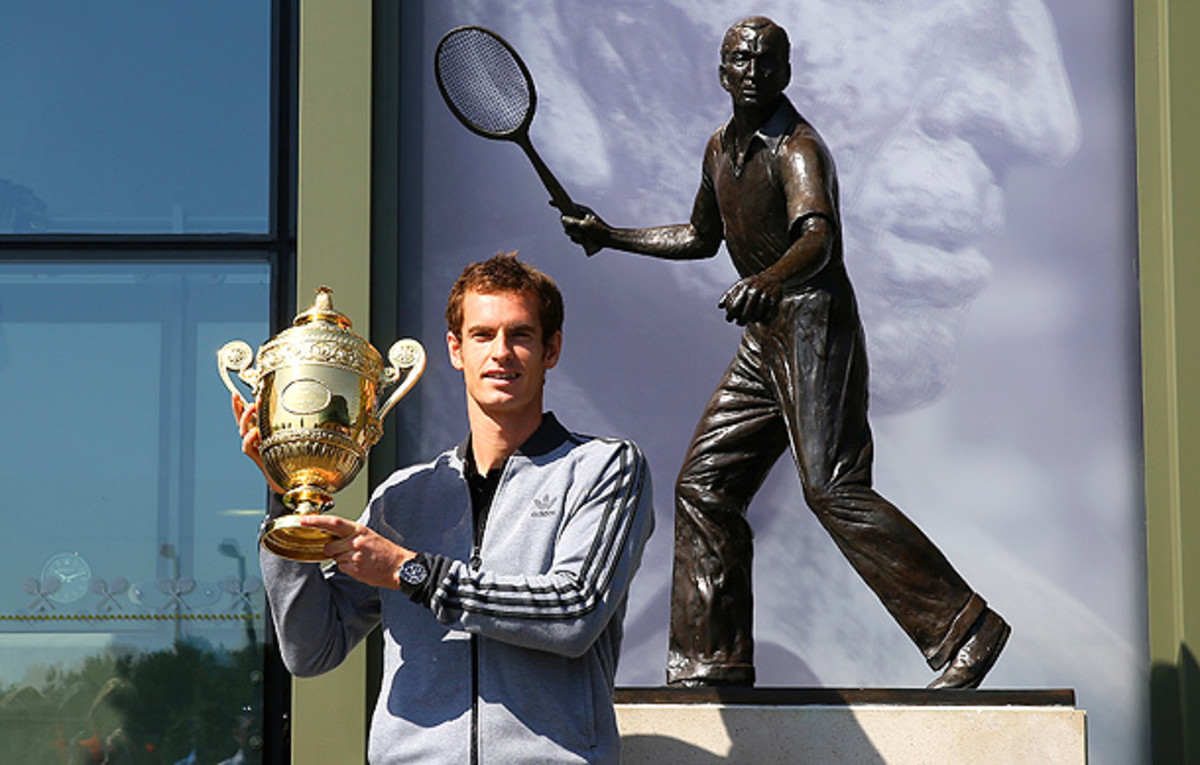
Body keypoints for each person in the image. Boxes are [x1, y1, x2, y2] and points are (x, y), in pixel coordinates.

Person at [562, 16, 1007, 689]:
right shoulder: (720, 148)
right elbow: (698, 235)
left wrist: (770, 278)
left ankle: (964, 627)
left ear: (786, 72)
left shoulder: (797, 149)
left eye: (768, 62)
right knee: (705, 485)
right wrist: (610, 234)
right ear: (722, 71)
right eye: (741, 60)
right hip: (765, 337)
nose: (754, 72)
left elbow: (818, 236)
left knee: (832, 487)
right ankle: (711, 660)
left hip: (813, 326)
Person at [233, 253, 654, 763]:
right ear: (456, 350)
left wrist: (412, 572)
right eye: (482, 335)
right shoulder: (403, 495)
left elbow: (574, 612)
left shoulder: (603, 467)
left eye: (520, 334)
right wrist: (287, 499)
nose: (501, 353)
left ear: (552, 349)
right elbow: (311, 650)